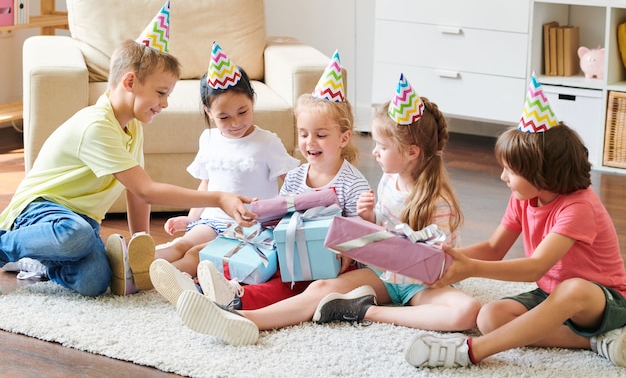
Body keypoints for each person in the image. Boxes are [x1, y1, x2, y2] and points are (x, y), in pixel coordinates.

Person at [151, 73, 481, 346]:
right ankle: (241, 318)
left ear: (410, 152)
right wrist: (369, 221)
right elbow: (378, 233)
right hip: (381, 273)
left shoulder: (438, 201)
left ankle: (365, 312)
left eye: (381, 146)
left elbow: (436, 260)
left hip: (417, 284)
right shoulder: (387, 182)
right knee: (315, 288)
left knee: (467, 311)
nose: (375, 152)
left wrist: (366, 230)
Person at [0, 2, 256, 297]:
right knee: (76, 236)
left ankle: (38, 260)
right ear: (131, 81)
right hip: (41, 211)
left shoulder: (132, 127)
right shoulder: (96, 125)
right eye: (161, 93)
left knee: (95, 281)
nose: (166, 103)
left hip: (81, 223)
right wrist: (218, 197)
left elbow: (136, 191)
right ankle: (7, 245)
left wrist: (141, 243)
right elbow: (147, 190)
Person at [404, 74, 626, 369]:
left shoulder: (580, 206)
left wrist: (471, 269)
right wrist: (441, 258)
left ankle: (472, 351)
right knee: (489, 317)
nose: (503, 177)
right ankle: (594, 342)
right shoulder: (523, 197)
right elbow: (495, 247)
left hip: (603, 302)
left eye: (510, 170)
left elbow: (535, 267)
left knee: (574, 289)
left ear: (540, 174)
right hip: (550, 293)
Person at [150, 50, 371, 309]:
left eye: (320, 135)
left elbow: (361, 231)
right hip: (285, 247)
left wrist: (355, 234)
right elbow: (282, 212)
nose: (310, 142)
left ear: (344, 138)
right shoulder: (299, 174)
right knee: (216, 253)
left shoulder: (352, 181)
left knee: (282, 283)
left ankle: (233, 298)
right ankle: (176, 279)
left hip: (325, 259)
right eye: (303, 134)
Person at [153, 41, 299, 277]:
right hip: (212, 220)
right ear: (208, 112)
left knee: (197, 255)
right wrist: (190, 220)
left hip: (250, 227)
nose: (235, 123)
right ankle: (137, 270)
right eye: (224, 117)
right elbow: (206, 185)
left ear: (252, 100)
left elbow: (292, 182)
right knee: (181, 244)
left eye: (242, 112)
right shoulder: (208, 139)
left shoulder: (267, 142)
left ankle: (158, 280)